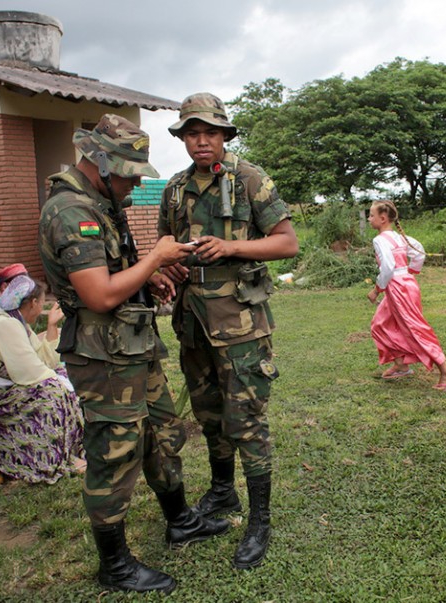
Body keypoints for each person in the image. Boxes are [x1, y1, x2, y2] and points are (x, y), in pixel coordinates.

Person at [39, 114, 228, 594]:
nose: (129, 185)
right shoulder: (70, 211)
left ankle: (180, 520)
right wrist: (154, 261)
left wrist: (149, 276)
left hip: (134, 346)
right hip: (103, 357)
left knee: (163, 434)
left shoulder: (102, 201)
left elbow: (117, 270)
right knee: (115, 454)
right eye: (126, 174)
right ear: (100, 162)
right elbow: (99, 295)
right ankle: (115, 565)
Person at [158, 92, 299, 570]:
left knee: (247, 421)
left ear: (224, 136)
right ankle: (223, 494)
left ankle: (260, 520)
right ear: (183, 138)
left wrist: (233, 247)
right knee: (210, 415)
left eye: (210, 133)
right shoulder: (175, 188)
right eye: (192, 133)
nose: (202, 141)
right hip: (192, 322)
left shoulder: (249, 179)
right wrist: (167, 269)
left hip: (239, 325)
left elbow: (286, 243)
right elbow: (165, 247)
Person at [0, 274, 85, 483]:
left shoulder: (16, 320)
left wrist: (51, 326)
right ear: (33, 303)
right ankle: (53, 459)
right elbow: (28, 373)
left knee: (69, 377)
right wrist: (60, 382)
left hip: (11, 384)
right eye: (41, 303)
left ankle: (73, 451)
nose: (41, 308)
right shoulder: (5, 324)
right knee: (53, 393)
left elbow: (44, 360)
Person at [367, 200, 446, 391]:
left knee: (415, 329)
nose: (369, 219)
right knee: (380, 323)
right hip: (406, 283)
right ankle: (401, 365)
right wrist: (409, 273)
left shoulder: (379, 240)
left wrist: (377, 290)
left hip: (397, 288)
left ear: (383, 218)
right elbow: (419, 254)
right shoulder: (400, 237)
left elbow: (387, 267)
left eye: (371, 215)